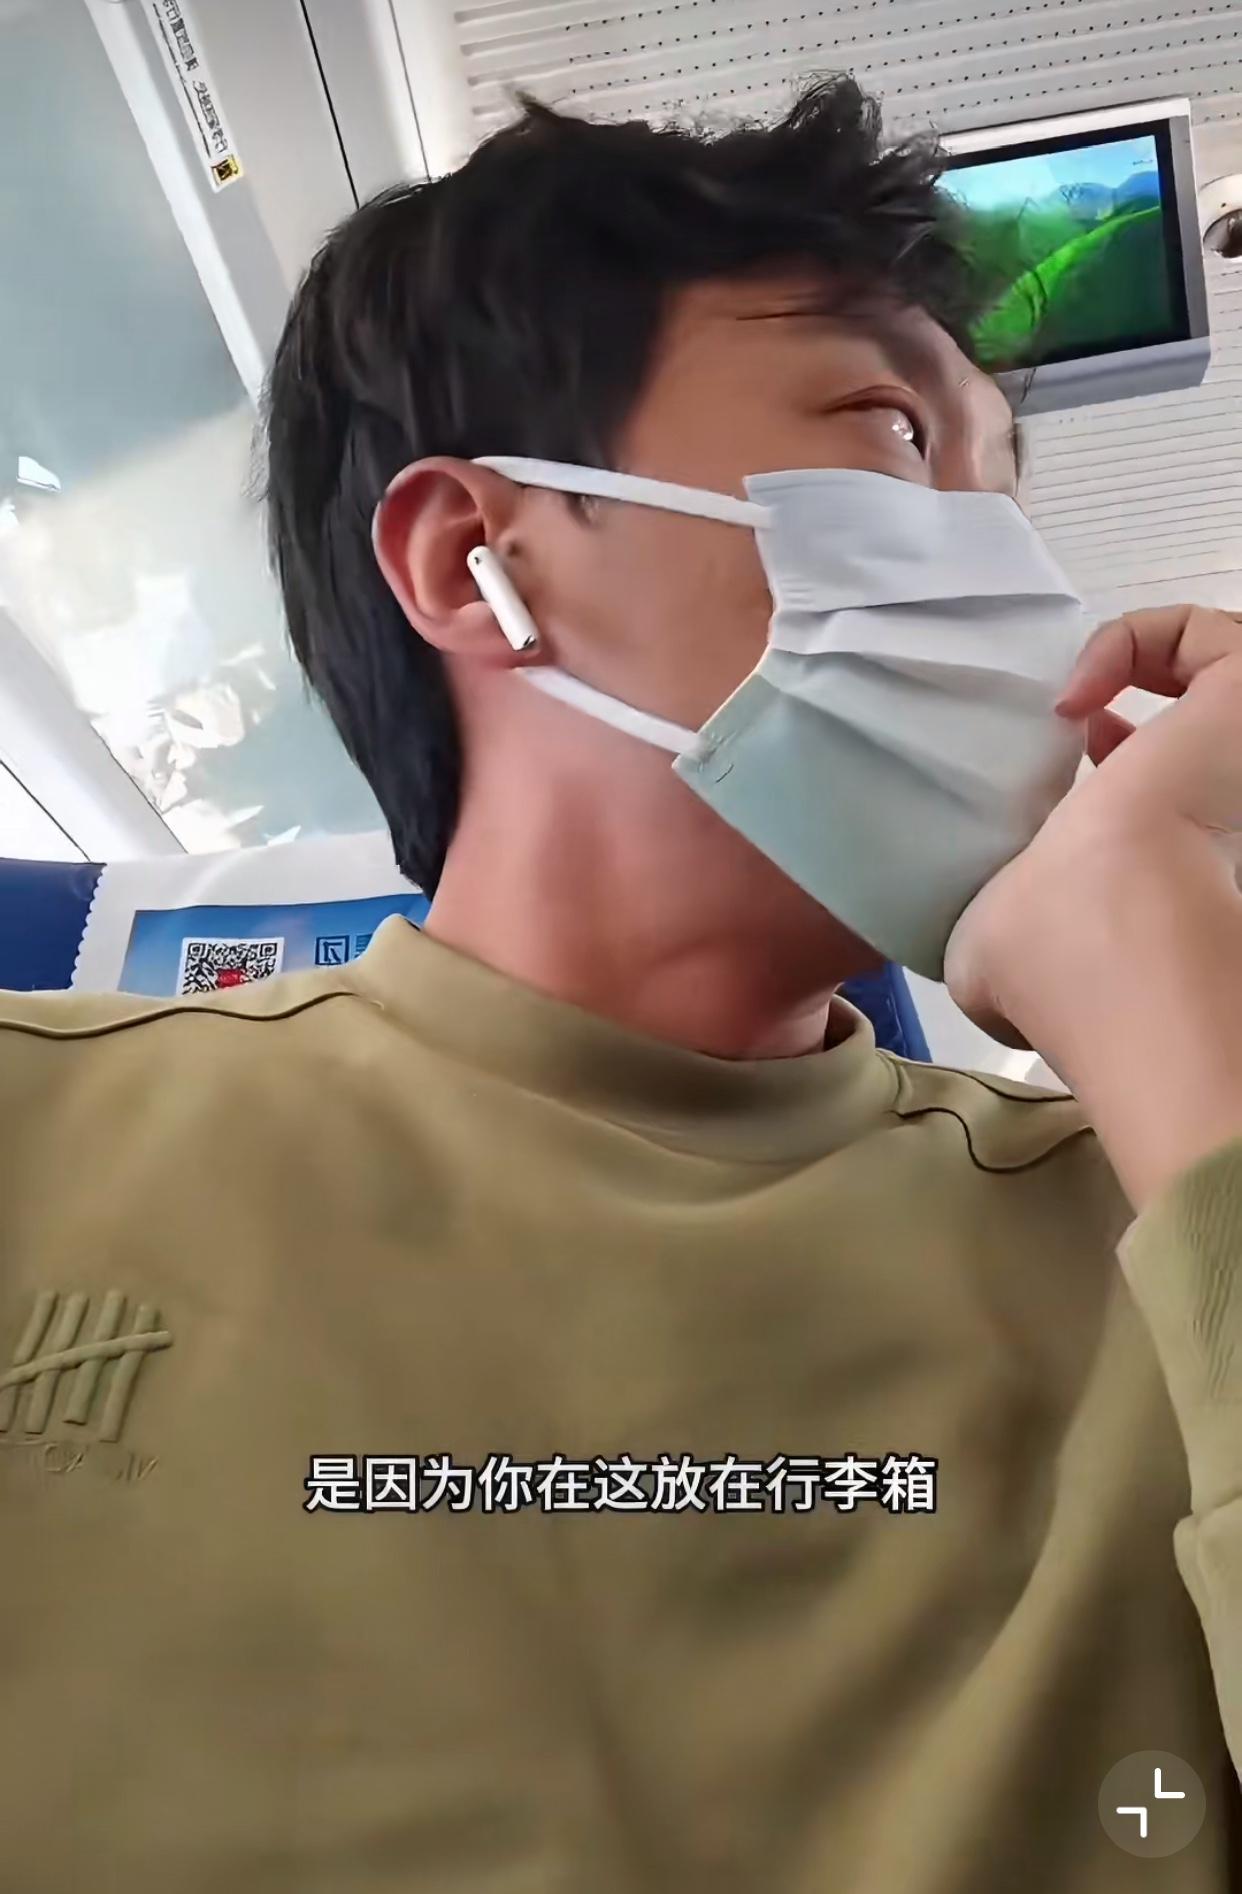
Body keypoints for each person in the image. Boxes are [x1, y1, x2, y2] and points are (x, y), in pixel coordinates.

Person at [1, 76, 1239, 1893]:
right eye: (895, 434)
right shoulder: (40, 1131)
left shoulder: (1156, 1210)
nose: (1017, 587)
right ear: (474, 561)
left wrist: (1190, 1015)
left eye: (1004, 495)